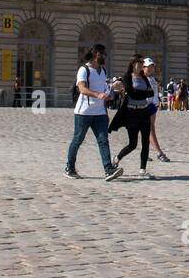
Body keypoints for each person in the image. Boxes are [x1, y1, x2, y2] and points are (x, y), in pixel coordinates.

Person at [65, 45, 121, 180]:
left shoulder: (103, 71)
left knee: (103, 141)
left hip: (100, 113)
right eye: (104, 54)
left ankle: (108, 170)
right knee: (78, 140)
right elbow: (82, 89)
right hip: (83, 112)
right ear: (96, 54)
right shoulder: (84, 70)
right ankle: (69, 168)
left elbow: (104, 92)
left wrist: (112, 91)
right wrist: (97, 95)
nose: (105, 57)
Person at [109, 56, 157, 178]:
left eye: (142, 63)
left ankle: (142, 170)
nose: (141, 65)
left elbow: (151, 92)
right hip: (131, 113)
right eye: (139, 63)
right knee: (133, 144)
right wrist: (142, 93)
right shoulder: (127, 77)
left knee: (146, 142)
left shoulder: (144, 78)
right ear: (133, 64)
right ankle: (117, 157)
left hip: (144, 112)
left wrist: (140, 94)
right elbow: (132, 94)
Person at [143, 57, 171, 164]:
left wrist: (156, 103)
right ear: (143, 67)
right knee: (150, 130)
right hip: (144, 108)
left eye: (152, 67)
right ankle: (159, 153)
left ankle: (144, 154)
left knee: (147, 130)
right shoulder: (141, 79)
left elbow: (154, 93)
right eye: (148, 67)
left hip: (152, 107)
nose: (150, 69)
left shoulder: (152, 79)